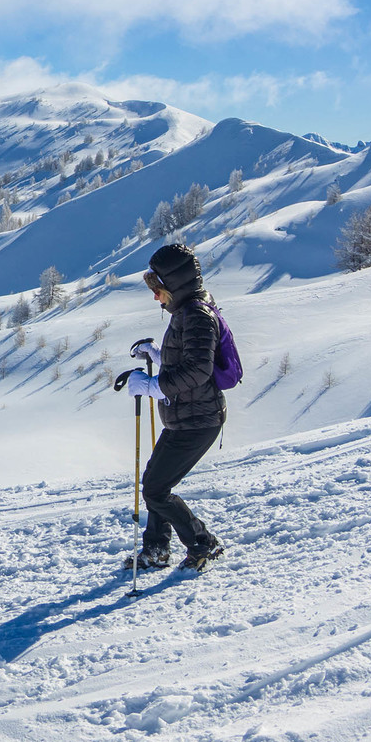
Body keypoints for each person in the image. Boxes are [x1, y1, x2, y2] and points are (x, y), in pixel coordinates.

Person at [113, 241, 226, 573]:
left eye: (158, 288)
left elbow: (198, 371)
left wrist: (151, 386)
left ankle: (203, 543)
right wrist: (158, 355)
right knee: (154, 483)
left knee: (157, 489)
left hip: (198, 419)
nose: (155, 296)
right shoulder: (188, 311)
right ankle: (158, 549)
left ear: (174, 285)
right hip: (185, 416)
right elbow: (188, 360)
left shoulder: (197, 316)